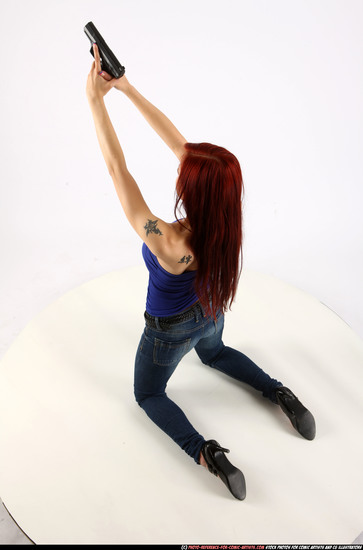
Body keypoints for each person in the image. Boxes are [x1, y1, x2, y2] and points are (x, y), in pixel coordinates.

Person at [86, 44, 316, 501]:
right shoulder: (226, 223)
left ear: (196, 190)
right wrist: (126, 88)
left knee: (149, 395)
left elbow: (117, 171)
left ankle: (206, 453)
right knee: (214, 353)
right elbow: (180, 145)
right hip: (209, 312)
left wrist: (95, 100)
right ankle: (281, 396)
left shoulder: (169, 242)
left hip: (168, 332)